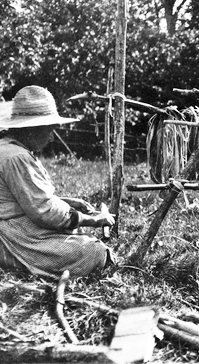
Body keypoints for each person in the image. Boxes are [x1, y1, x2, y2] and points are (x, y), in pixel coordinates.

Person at [0, 85, 115, 279]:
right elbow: (45, 212)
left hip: (16, 224)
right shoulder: (16, 157)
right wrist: (93, 220)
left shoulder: (8, 149)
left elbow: (27, 198)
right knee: (93, 251)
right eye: (49, 130)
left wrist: (68, 202)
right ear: (31, 130)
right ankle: (16, 260)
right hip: (15, 234)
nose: (52, 137)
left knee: (77, 236)